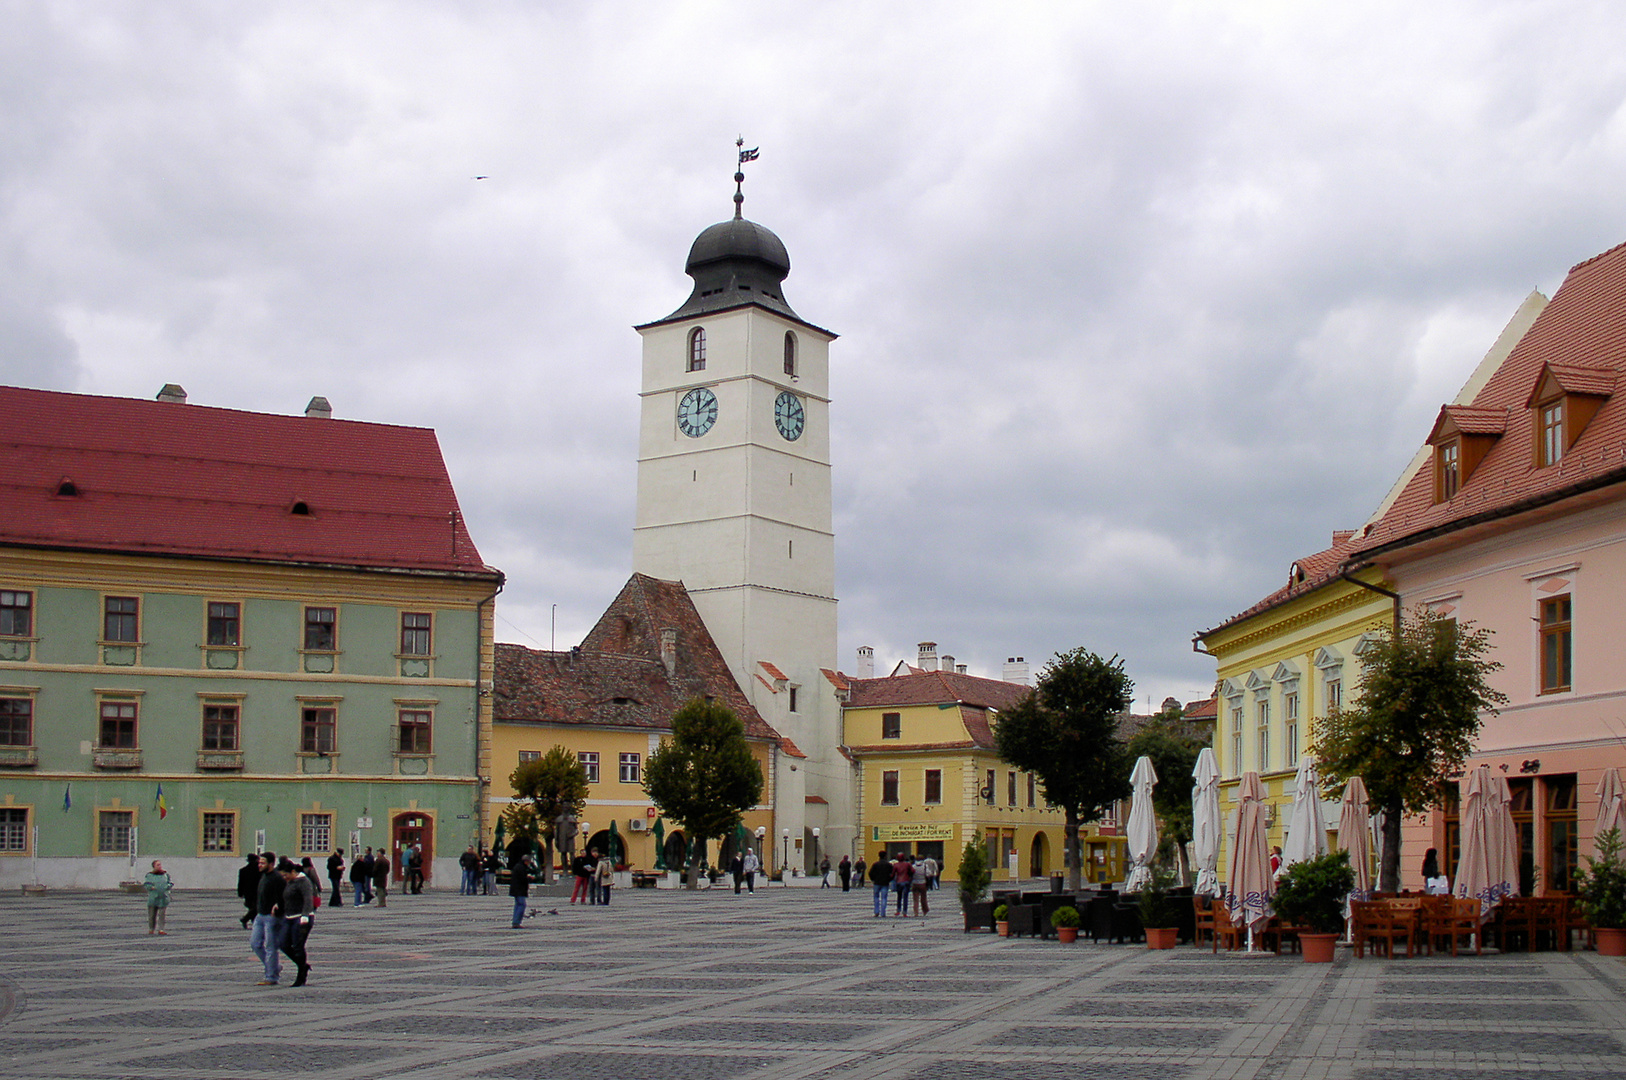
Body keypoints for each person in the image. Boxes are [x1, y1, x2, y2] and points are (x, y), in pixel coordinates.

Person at [250, 852, 284, 985]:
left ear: (271, 864)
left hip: (272, 917)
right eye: (259, 862)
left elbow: (283, 896)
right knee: (255, 943)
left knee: (271, 947)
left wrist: (278, 906)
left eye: (262, 863)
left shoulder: (277, 878)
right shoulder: (263, 876)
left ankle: (271, 977)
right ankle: (274, 967)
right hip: (260, 915)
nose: (259, 865)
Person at [278, 858, 313, 987]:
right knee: (283, 944)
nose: (284, 877)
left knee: (298, 946)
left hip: (302, 918)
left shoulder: (304, 882)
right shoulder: (289, 882)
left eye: (285, 875)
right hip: (289, 917)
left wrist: (305, 917)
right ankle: (303, 966)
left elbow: (308, 900)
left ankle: (301, 975)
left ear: (293, 871)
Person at [143, 859, 173, 935]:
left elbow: (169, 883)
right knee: (152, 915)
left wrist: (167, 886)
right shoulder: (150, 875)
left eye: (160, 864)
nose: (160, 866)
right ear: (154, 866)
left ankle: (161, 929)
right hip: (153, 898)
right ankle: (151, 929)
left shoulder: (165, 875)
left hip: (163, 897)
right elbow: (146, 884)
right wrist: (151, 887)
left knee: (162, 915)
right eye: (158, 865)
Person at [236, 852, 261, 928]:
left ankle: (253, 923)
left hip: (247, 892)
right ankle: (245, 919)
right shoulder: (259, 870)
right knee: (256, 908)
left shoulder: (243, 870)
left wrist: (240, 892)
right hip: (257, 891)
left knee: (252, 908)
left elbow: (240, 883)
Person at [510, 853, 533, 927]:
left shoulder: (518, 866)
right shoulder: (521, 868)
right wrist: (529, 878)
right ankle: (516, 922)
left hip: (516, 889)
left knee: (518, 905)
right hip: (519, 890)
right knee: (521, 905)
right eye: (528, 862)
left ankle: (515, 921)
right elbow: (522, 879)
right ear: (526, 861)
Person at [868, 850, 893, 917]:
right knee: (884, 898)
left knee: (876, 897)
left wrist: (873, 879)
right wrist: (889, 880)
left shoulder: (875, 864)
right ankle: (883, 913)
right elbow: (892, 874)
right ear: (885, 856)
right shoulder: (888, 865)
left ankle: (876, 912)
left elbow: (870, 873)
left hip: (877, 883)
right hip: (885, 883)